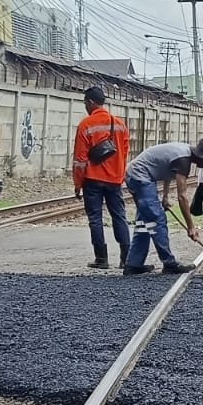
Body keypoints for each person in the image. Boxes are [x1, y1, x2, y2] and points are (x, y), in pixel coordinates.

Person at [122, 138, 203, 276]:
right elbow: (182, 197)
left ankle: (133, 265)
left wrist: (165, 196)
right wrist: (191, 226)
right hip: (140, 175)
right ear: (201, 156)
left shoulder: (184, 153)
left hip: (139, 174)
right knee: (157, 219)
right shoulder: (183, 160)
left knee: (144, 223)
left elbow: (167, 170)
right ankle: (169, 263)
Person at [72, 85, 131, 269]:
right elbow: (125, 152)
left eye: (85, 103)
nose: (85, 107)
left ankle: (101, 259)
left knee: (95, 218)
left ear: (90, 102)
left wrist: (77, 184)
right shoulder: (119, 124)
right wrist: (120, 175)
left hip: (93, 179)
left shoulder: (86, 125)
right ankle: (125, 258)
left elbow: (80, 159)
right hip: (114, 180)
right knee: (119, 216)